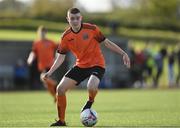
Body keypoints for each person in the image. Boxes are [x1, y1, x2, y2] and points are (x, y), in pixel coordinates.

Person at [42, 8, 130, 127]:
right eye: (72, 18)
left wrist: (123, 53)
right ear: (68, 19)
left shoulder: (92, 29)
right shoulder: (66, 37)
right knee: (60, 89)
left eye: (77, 18)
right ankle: (61, 121)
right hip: (80, 65)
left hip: (97, 64)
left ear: (81, 18)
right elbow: (60, 57)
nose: (75, 20)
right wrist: (50, 71)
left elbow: (107, 43)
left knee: (91, 85)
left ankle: (90, 101)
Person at [27, 26, 58, 101]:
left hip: (50, 65)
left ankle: (56, 85)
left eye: (43, 33)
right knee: (47, 85)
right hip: (42, 66)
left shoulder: (51, 42)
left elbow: (59, 50)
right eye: (41, 33)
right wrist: (30, 58)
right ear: (38, 33)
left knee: (43, 78)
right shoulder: (36, 43)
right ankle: (55, 96)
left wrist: (56, 58)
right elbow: (33, 52)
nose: (42, 34)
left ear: (45, 33)